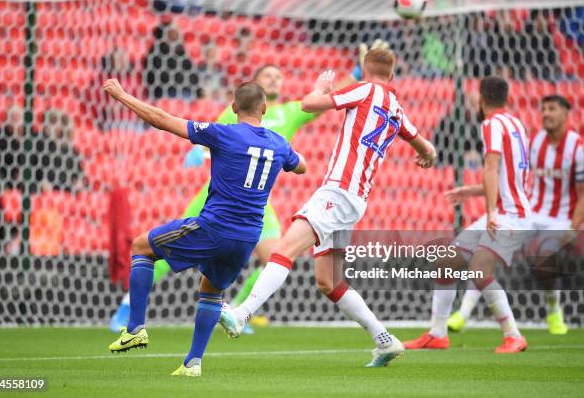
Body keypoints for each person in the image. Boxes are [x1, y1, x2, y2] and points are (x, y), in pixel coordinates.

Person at [109, 58, 363, 332]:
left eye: (278, 75)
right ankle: (126, 308)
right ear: (254, 86)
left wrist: (358, 73)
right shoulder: (236, 114)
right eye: (268, 74)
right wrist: (199, 152)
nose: (274, 79)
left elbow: (326, 100)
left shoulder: (290, 112)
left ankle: (237, 311)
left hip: (257, 204)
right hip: (220, 198)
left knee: (273, 258)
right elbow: (211, 136)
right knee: (163, 250)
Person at [220, 48, 437, 368]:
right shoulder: (397, 109)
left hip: (339, 191)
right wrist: (428, 156)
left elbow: (309, 105)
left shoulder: (365, 88)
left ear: (365, 71)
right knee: (328, 282)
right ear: (392, 76)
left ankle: (242, 313)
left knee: (284, 248)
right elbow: (426, 147)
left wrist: (322, 89)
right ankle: (384, 339)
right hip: (357, 198)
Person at [103, 78, 306, 377]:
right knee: (211, 291)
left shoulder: (222, 133)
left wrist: (122, 96)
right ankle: (193, 362)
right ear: (264, 108)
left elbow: (160, 119)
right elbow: (301, 166)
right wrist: (285, 157)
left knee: (141, 247)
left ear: (234, 107)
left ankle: (135, 328)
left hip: (215, 226)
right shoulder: (279, 143)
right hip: (248, 236)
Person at [404, 76, 531, 354]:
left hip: (509, 214)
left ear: (481, 98)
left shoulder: (491, 124)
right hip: (505, 209)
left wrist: (489, 213)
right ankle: (438, 334)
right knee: (447, 262)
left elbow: (492, 165)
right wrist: (472, 192)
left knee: (480, 270)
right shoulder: (516, 124)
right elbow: (510, 176)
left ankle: (514, 335)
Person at [447, 94, 583, 335]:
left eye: (552, 109)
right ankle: (463, 313)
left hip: (560, 219)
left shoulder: (578, 149)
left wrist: (572, 228)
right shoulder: (535, 143)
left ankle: (554, 310)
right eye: (543, 109)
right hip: (529, 213)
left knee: (545, 254)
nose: (546, 114)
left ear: (566, 113)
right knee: (485, 250)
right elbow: (512, 180)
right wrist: (475, 191)